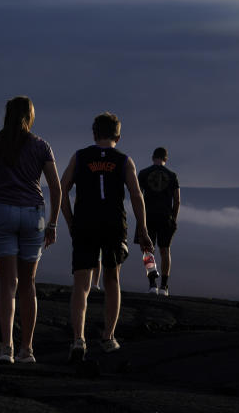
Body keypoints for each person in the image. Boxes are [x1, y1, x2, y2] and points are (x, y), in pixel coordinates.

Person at [60, 112, 152, 361]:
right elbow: (136, 195)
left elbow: (62, 188)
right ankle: (108, 337)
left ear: (94, 134)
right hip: (113, 224)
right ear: (118, 136)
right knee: (112, 279)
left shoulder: (80, 157)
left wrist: (70, 222)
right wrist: (142, 229)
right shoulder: (124, 160)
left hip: (85, 223)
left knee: (81, 284)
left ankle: (78, 339)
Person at [0, 96, 61, 364]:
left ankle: (6, 348)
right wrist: (52, 223)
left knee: (7, 283)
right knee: (28, 284)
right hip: (33, 215)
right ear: (30, 116)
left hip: (2, 210)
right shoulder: (41, 146)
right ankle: (27, 349)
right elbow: (56, 188)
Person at [136, 147, 180, 296]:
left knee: (148, 250)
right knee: (165, 250)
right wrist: (173, 218)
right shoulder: (172, 175)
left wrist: (139, 219)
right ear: (165, 159)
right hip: (165, 217)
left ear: (152, 157)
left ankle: (152, 284)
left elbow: (138, 197)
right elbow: (177, 200)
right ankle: (164, 286)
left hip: (147, 216)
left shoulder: (143, 173)